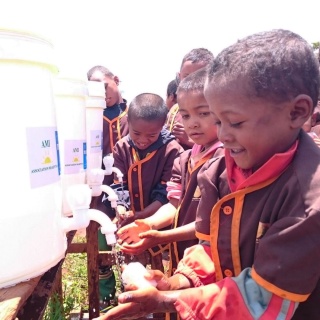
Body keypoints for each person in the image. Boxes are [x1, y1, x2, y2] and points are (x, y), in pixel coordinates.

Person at [94, 29, 320, 320]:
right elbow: (212, 246)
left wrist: (168, 300)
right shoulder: (220, 170)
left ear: (297, 112)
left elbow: (263, 299)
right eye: (219, 120)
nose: (223, 136)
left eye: (235, 122)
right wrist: (177, 282)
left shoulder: (308, 200)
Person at [117, 68, 224, 278]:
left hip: (213, 263)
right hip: (185, 258)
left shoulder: (226, 160)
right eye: (185, 115)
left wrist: (160, 237)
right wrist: (149, 224)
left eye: (203, 113)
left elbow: (213, 225)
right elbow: (174, 204)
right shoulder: (185, 159)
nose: (192, 122)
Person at [86, 65, 129, 311]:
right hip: (99, 192)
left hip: (134, 190)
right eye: (95, 89)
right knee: (101, 246)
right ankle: (106, 299)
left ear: (116, 79)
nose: (102, 93)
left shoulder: (134, 112)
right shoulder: (90, 115)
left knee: (130, 245)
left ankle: (133, 296)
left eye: (104, 86)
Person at [111, 93, 183, 228]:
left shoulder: (172, 151)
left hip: (162, 223)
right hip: (129, 220)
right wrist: (121, 209)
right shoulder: (121, 148)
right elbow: (119, 185)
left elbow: (165, 193)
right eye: (136, 133)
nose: (143, 140)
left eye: (152, 135)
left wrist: (142, 214)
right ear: (128, 121)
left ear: (162, 126)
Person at [166, 48, 214, 150]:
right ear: (179, 77)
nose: (192, 80)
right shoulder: (174, 110)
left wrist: (189, 141)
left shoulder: (217, 107)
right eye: (185, 116)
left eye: (200, 75)